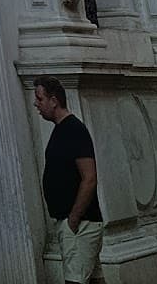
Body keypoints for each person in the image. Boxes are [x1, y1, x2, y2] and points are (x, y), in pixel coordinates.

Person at [33, 76, 103, 284]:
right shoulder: (61, 130)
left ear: (54, 100)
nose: (36, 104)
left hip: (81, 224)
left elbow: (89, 178)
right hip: (76, 223)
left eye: (40, 98)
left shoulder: (74, 130)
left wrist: (73, 220)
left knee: (75, 280)